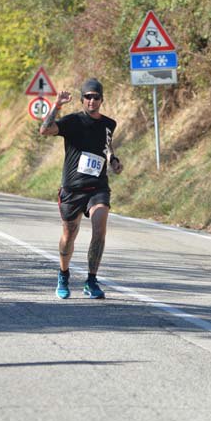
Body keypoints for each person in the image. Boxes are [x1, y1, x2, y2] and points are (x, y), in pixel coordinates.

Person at [39, 78, 123, 300]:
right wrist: (57, 105)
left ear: (102, 99)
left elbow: (106, 147)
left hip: (98, 187)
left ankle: (91, 280)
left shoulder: (109, 124)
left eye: (96, 97)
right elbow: (44, 130)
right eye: (88, 97)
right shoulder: (72, 121)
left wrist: (113, 160)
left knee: (100, 229)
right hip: (73, 189)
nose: (92, 101)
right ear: (82, 99)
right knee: (69, 234)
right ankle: (63, 274)